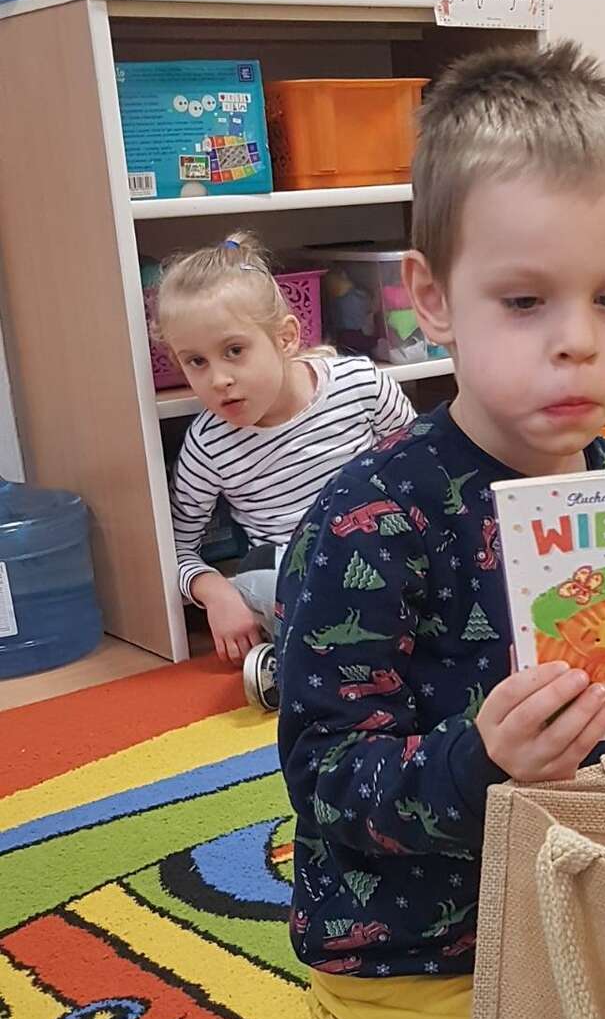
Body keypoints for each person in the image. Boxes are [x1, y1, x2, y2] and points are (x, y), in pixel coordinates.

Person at [276, 41, 605, 1019]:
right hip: (419, 957)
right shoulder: (368, 520)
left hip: (589, 910)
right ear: (433, 300)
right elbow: (327, 781)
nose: (577, 343)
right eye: (525, 301)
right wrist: (479, 759)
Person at [157, 232, 414, 710]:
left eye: (235, 351)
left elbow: (421, 467)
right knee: (266, 585)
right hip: (289, 571)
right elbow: (175, 550)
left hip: (379, 548)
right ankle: (336, 663)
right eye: (196, 361)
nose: (219, 379)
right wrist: (214, 592)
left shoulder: (361, 386)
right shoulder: (208, 445)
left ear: (286, 338)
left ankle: (340, 661)